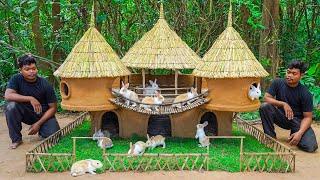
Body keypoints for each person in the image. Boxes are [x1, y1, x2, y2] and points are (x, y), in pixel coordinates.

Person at [259, 60, 318, 152]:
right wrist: (283, 104)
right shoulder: (277, 83)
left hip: (297, 121)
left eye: (294, 73)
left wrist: (300, 133)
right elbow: (266, 98)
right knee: (265, 106)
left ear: (301, 75)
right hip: (281, 117)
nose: (289, 75)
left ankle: (295, 135)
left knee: (310, 147)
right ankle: (270, 137)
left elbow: (308, 117)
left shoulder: (305, 93)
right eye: (288, 72)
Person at [4, 54, 60, 149]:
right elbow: (8, 95)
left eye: (34, 69)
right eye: (27, 69)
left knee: (55, 136)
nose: (31, 72)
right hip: (25, 113)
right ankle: (16, 139)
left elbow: (53, 108)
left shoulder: (45, 84)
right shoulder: (16, 79)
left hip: (42, 114)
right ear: (20, 70)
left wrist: (38, 124)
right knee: (11, 106)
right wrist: (30, 98)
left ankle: (42, 130)